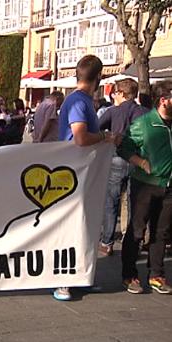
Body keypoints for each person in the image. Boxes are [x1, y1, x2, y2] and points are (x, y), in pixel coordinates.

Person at [55, 54, 118, 301]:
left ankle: (78, 277)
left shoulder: (79, 100)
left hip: (81, 173)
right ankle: (62, 281)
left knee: (82, 226)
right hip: (74, 174)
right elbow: (80, 138)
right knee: (71, 226)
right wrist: (105, 137)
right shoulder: (79, 102)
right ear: (98, 77)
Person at [117, 80, 172, 295]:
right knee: (137, 231)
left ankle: (157, 274)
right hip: (145, 186)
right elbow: (123, 147)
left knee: (161, 232)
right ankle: (129, 274)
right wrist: (140, 162)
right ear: (164, 100)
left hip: (168, 187)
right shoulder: (144, 123)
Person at [98, 78, 148, 256]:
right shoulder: (144, 112)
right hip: (137, 161)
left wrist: (108, 136)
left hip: (117, 158)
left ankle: (107, 242)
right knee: (133, 201)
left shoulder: (113, 111)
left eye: (115, 93)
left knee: (111, 201)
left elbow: (96, 128)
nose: (113, 96)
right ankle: (133, 239)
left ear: (121, 94)